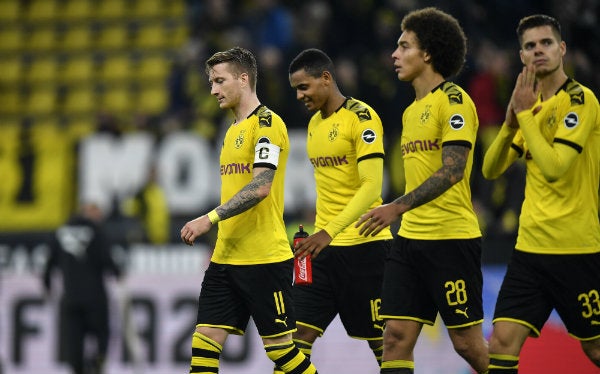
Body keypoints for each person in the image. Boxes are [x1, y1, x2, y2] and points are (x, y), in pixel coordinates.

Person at [355, 7, 488, 373]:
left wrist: (396, 207)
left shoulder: (455, 100)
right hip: (410, 241)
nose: (394, 55)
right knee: (395, 337)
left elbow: (454, 170)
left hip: (451, 238)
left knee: (466, 344)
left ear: (427, 53)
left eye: (404, 46)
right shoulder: (411, 111)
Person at [179, 46, 317, 374]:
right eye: (211, 82)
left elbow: (261, 186)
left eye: (219, 81)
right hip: (225, 259)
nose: (212, 89)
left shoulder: (267, 124)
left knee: (282, 353)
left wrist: (208, 218)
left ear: (243, 80)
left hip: (264, 259)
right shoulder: (231, 131)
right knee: (203, 346)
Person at [481, 14, 600, 372]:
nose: (538, 51)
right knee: (500, 343)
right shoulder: (530, 110)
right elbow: (490, 169)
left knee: (595, 350)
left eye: (546, 43)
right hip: (529, 250)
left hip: (574, 248)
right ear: (522, 57)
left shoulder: (581, 100)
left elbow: (554, 167)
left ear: (562, 49)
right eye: (530, 46)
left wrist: (526, 116)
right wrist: (509, 124)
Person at [284, 48, 393, 371]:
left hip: (366, 247)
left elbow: (372, 187)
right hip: (322, 253)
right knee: (295, 339)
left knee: (385, 344)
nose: (300, 96)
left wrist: (329, 231)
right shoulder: (315, 125)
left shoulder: (363, 117)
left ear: (326, 78)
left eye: (304, 87)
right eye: (296, 90)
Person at [42, 203, 122, 374]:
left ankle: (79, 368)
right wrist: (118, 273)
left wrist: (47, 286)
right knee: (102, 339)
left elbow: (48, 266)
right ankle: (96, 365)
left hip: (71, 299)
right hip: (96, 299)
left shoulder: (60, 232)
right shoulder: (97, 232)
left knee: (74, 346)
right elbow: (108, 262)